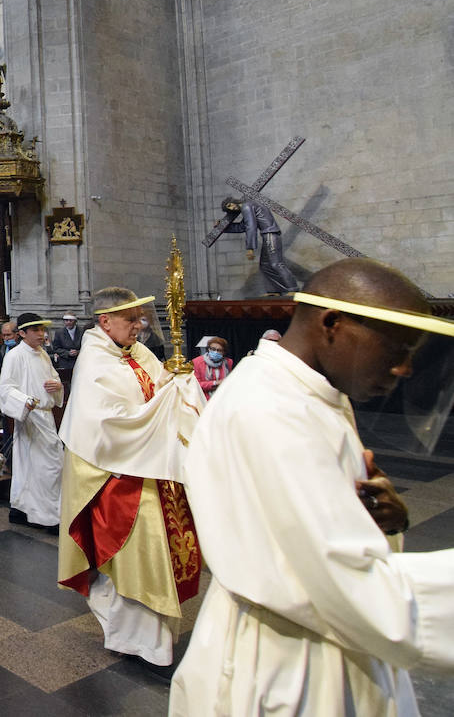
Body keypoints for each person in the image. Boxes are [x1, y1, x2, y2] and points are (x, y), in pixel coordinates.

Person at [170, 259, 454, 715]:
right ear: (333, 324)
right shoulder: (273, 411)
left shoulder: (305, 392)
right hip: (289, 664)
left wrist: (384, 522)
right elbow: (354, 591)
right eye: (396, 348)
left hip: (321, 635)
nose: (403, 369)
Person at [57, 288, 202, 673]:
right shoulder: (95, 361)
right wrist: (162, 403)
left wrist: (178, 379)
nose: (139, 327)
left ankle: (145, 638)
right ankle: (136, 639)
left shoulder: (134, 351)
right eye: (131, 320)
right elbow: (109, 423)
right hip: (114, 474)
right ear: (105, 321)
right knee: (141, 553)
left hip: (147, 464)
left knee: (163, 548)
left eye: (140, 319)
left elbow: (158, 384)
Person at [0, 313, 64, 530]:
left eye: (42, 330)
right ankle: (48, 516)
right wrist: (25, 401)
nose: (41, 334)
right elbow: (5, 388)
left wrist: (57, 386)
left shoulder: (42, 354)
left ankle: (22, 509)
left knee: (38, 466)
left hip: (45, 417)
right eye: (35, 330)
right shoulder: (14, 356)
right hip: (30, 417)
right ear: (22, 333)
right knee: (46, 466)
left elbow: (54, 379)